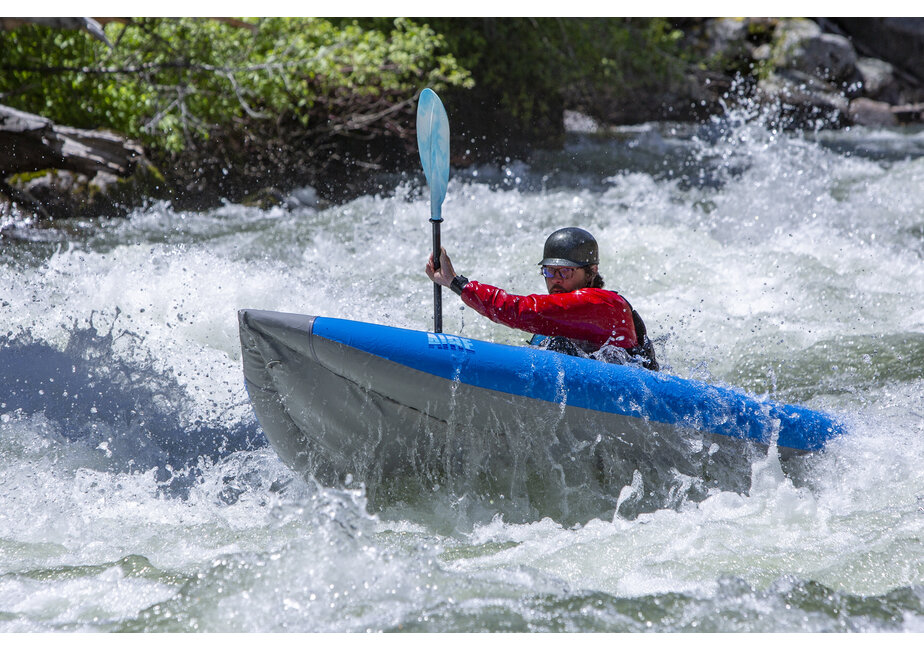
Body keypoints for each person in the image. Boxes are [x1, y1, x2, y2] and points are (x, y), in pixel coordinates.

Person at [425, 227, 659, 371]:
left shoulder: (604, 304)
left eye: (565, 272)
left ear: (591, 272)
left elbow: (522, 310)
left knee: (559, 347)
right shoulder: (552, 322)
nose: (555, 280)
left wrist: (457, 283)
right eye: (549, 271)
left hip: (626, 400)